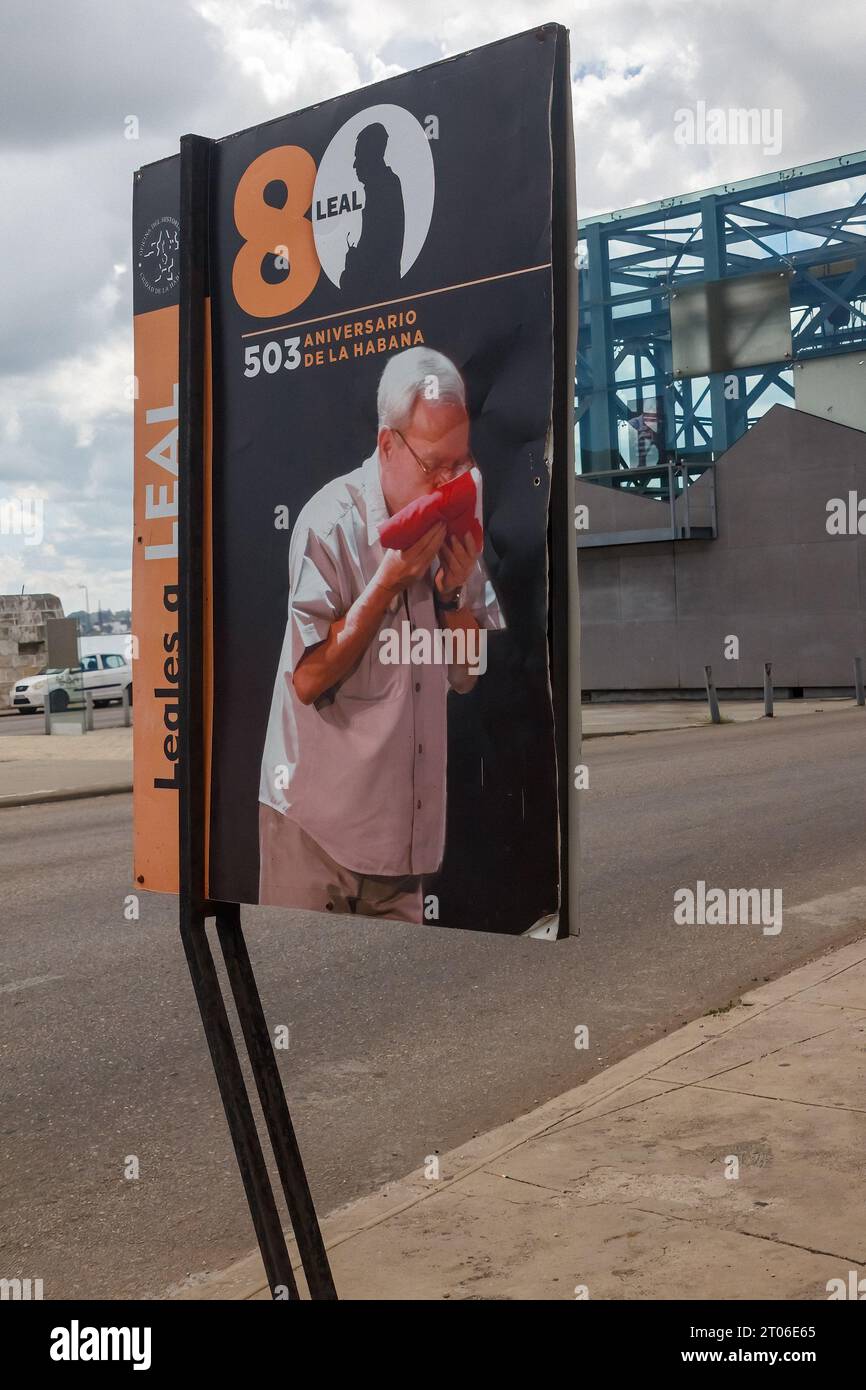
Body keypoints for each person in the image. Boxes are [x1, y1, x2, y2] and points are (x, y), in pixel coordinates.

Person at [258, 346, 503, 922]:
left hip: (403, 846)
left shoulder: (451, 524)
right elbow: (308, 679)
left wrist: (453, 594)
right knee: (307, 993)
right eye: (433, 465)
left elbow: (467, 677)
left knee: (396, 1005)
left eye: (459, 463)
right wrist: (387, 583)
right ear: (388, 444)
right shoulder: (329, 524)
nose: (449, 481)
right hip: (315, 832)